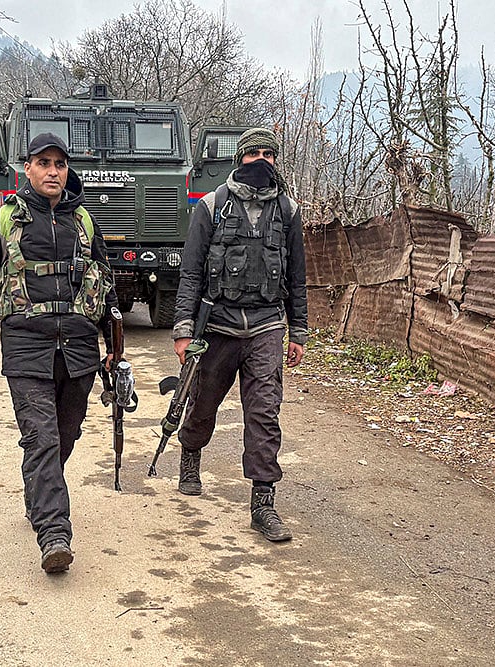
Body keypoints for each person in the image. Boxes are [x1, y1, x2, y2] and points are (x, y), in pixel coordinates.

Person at [0, 133, 117, 574]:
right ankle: (54, 534)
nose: (52, 172)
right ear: (27, 168)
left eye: (59, 164)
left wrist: (113, 352)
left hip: (79, 349)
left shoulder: (84, 221)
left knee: (65, 435)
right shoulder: (3, 220)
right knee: (41, 438)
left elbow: (105, 287)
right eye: (43, 163)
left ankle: (38, 496)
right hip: (27, 347)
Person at [171, 127, 308, 542]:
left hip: (266, 325)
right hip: (217, 327)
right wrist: (182, 329)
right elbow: (192, 273)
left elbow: (297, 277)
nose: (262, 161)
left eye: (269, 154)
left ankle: (263, 503)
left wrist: (298, 329)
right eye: (254, 154)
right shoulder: (212, 207)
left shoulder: (287, 211)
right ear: (240, 159)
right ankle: (191, 453)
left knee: (265, 412)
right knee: (203, 404)